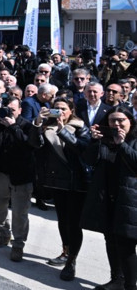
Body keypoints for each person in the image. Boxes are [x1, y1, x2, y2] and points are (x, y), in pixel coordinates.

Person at [35, 97, 90, 281]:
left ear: (71, 110)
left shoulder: (80, 127)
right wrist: (38, 123)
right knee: (62, 220)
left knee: (74, 223)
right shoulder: (47, 127)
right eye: (56, 108)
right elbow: (34, 144)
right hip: (56, 180)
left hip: (76, 182)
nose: (60, 112)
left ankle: (71, 261)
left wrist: (62, 130)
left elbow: (82, 148)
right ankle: (65, 251)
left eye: (64, 109)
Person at [83, 107, 137, 290]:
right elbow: (89, 160)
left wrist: (122, 144)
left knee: (126, 244)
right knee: (111, 240)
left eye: (121, 120)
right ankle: (116, 279)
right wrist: (94, 140)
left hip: (129, 200)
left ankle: (130, 286)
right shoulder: (104, 141)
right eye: (112, 120)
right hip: (107, 197)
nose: (117, 124)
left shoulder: (134, 140)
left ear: (130, 121)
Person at [0, 96, 43, 263]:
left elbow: (29, 145)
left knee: (20, 213)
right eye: (6, 109)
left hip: (21, 176)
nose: (9, 113)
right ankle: (4, 234)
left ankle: (18, 244)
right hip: (0, 173)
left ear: (20, 110)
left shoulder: (27, 125)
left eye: (12, 110)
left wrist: (13, 127)